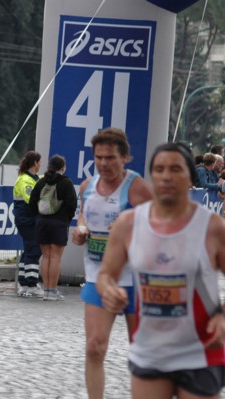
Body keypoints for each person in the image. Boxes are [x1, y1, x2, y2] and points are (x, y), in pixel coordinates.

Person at [97, 142, 225, 399]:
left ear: (190, 177)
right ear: (152, 175)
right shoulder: (129, 224)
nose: (166, 176)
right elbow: (105, 275)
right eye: (159, 169)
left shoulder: (211, 227)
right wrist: (109, 290)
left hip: (199, 349)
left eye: (175, 169)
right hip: (150, 349)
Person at [71, 127, 153, 399]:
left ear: (125, 158)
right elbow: (84, 216)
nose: (103, 164)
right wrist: (80, 231)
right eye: (99, 158)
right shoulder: (87, 187)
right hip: (99, 276)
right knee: (94, 347)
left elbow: (161, 228)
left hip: (137, 280)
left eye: (110, 158)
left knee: (143, 354)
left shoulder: (139, 188)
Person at [29, 155, 77, 301]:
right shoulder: (66, 182)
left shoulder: (41, 181)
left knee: (46, 257)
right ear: (63, 167)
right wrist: (66, 218)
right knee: (56, 257)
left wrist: (39, 217)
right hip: (59, 223)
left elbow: (32, 202)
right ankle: (52, 291)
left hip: (42, 223)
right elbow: (72, 205)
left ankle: (45, 290)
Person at [13, 151, 44, 298]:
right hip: (27, 219)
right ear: (35, 163)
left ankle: (23, 283)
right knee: (34, 249)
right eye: (40, 162)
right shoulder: (25, 180)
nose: (41, 165)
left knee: (28, 249)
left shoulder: (33, 178)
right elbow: (30, 198)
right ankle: (31, 284)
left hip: (28, 219)